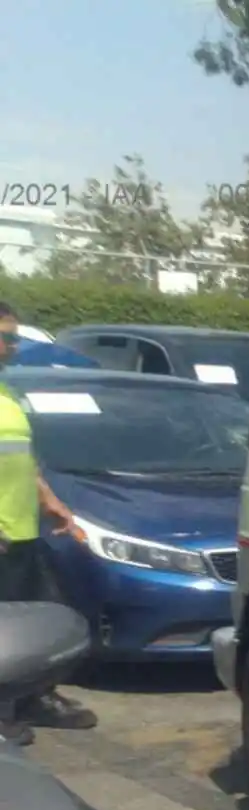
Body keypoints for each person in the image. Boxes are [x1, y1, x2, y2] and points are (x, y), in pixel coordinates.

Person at [0, 303, 98, 745]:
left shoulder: (8, 397)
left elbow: (25, 463)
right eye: (6, 336)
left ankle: (34, 697)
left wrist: (52, 502)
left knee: (37, 623)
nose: (13, 346)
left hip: (20, 533)